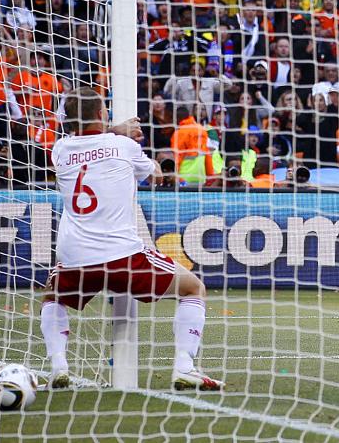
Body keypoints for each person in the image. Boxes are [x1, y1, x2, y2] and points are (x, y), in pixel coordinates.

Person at [40, 87, 224, 391]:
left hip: (74, 257)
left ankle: (59, 365)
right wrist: (129, 140)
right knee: (193, 288)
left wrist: (114, 130)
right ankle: (184, 366)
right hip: (122, 256)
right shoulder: (123, 146)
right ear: (102, 114)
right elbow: (154, 174)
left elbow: (87, 137)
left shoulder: (60, 150)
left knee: (51, 297)